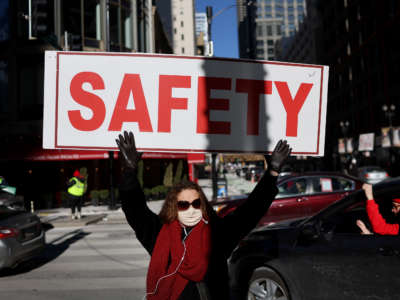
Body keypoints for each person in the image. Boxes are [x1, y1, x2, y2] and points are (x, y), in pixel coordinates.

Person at [116, 131, 291, 300]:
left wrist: (272, 173)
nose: (191, 209)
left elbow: (250, 212)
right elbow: (135, 211)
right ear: (173, 208)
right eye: (183, 205)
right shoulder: (160, 234)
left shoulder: (218, 234)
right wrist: (129, 171)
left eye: (196, 203)